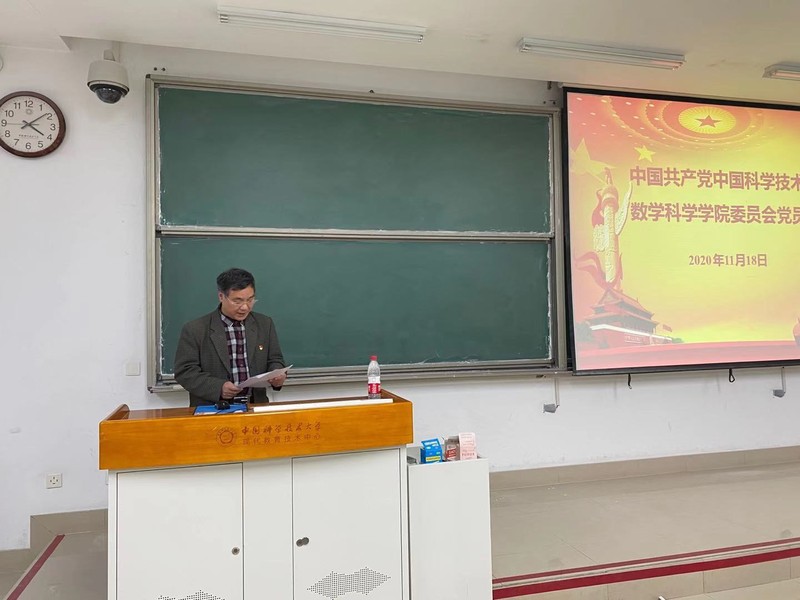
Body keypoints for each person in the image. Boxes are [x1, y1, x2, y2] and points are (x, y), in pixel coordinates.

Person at [174, 267, 286, 406]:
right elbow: (185, 372)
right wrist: (218, 387)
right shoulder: (195, 329)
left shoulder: (264, 324)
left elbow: (275, 359)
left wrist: (277, 374)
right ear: (221, 296)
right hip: (214, 408)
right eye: (237, 301)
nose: (245, 307)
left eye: (250, 300)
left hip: (255, 406)